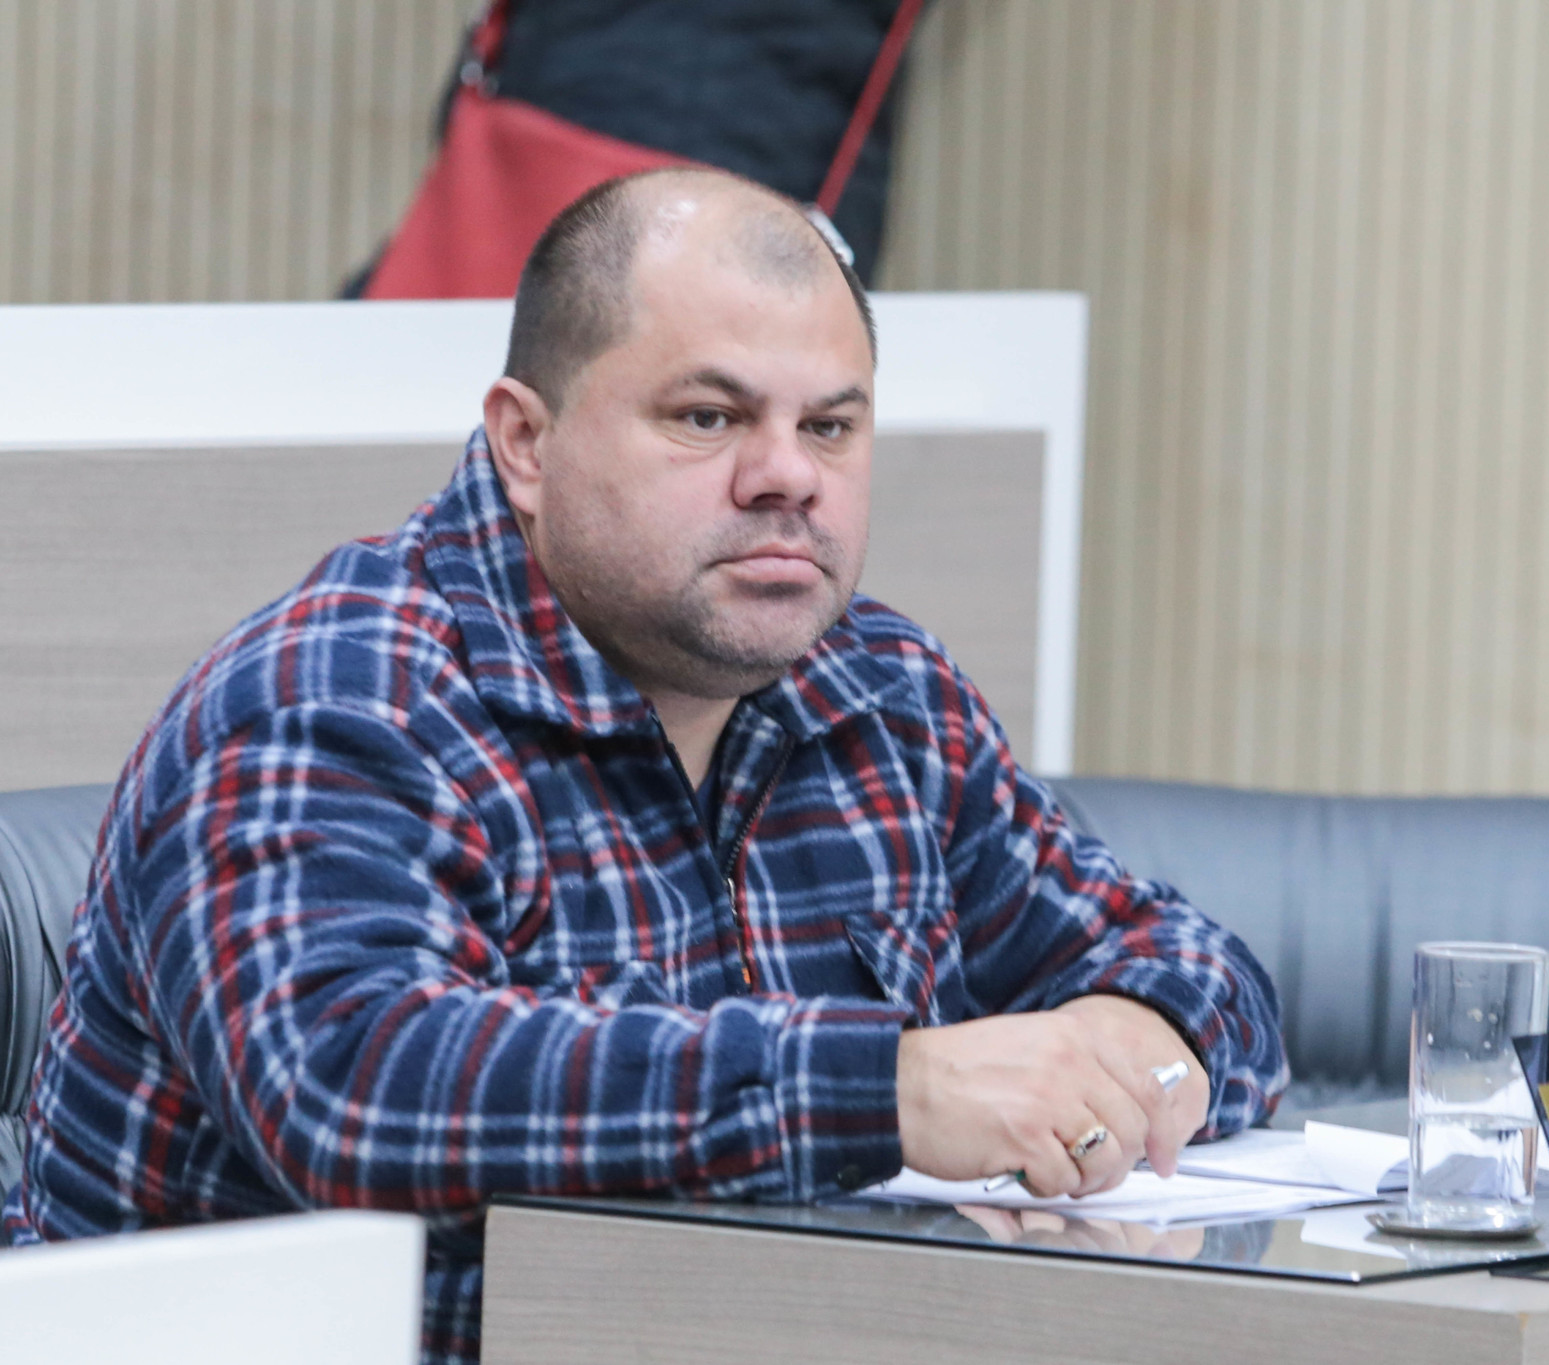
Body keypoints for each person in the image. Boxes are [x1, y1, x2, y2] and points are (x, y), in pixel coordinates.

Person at [4, 168, 1288, 1364]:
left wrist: (1137, 1046)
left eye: (830, 427)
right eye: (708, 415)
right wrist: (887, 1089)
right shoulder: (336, 699)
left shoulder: (884, 692)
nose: (786, 477)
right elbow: (358, 1087)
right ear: (524, 442)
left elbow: (1200, 976)